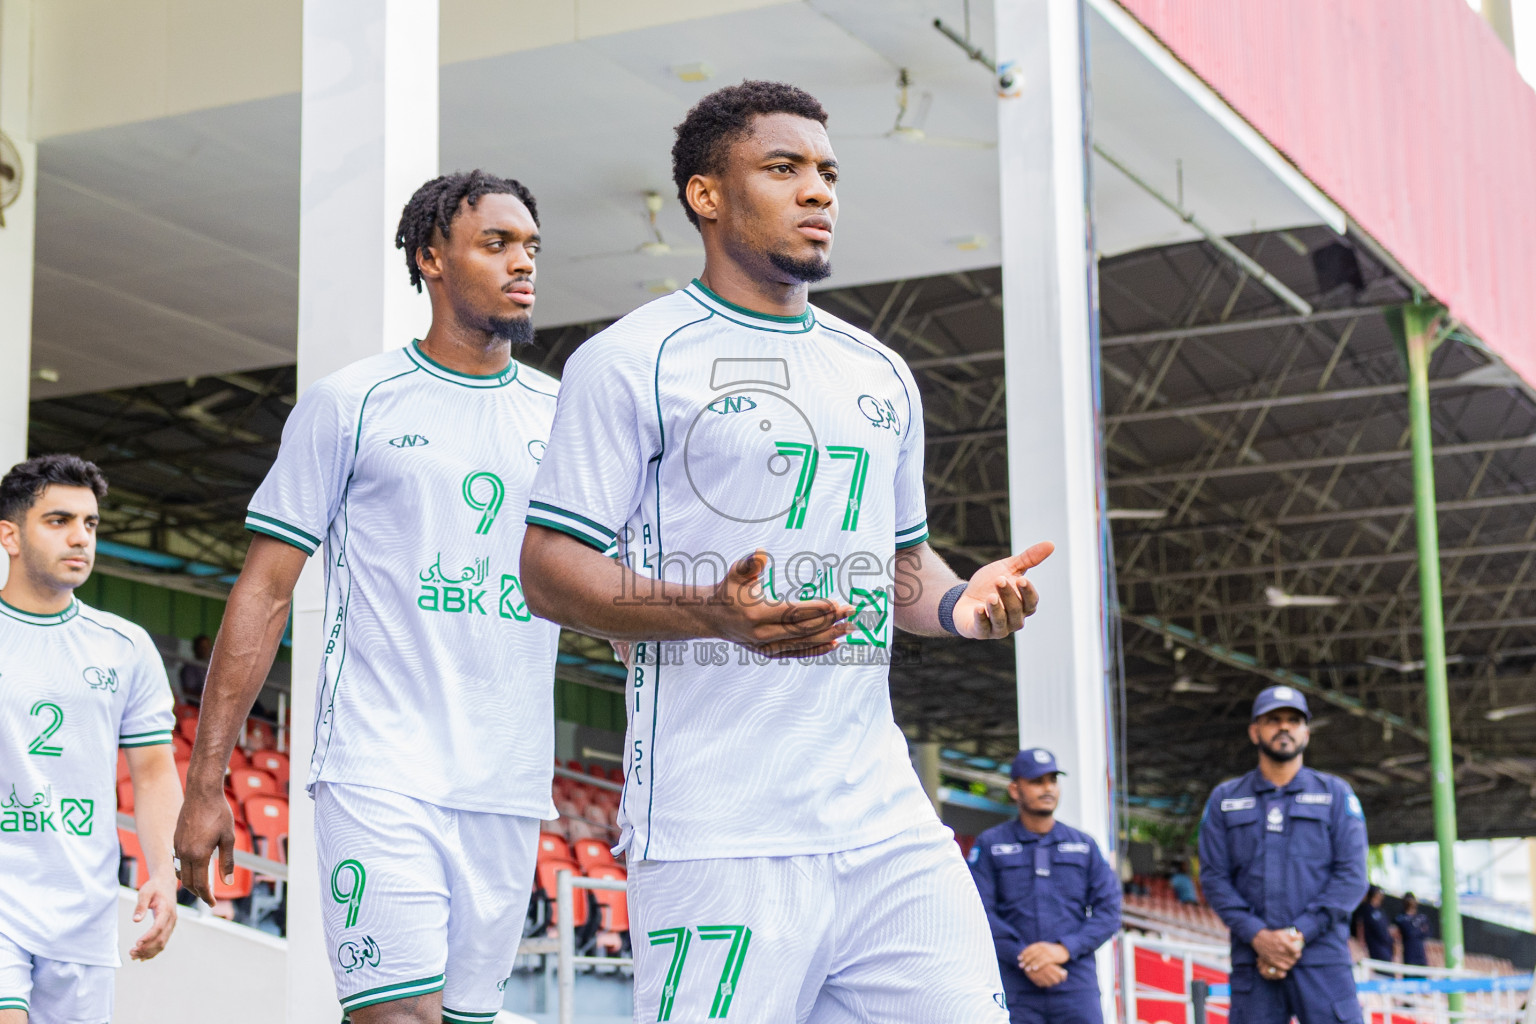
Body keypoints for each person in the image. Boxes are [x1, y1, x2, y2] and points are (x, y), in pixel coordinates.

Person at [520, 81, 1053, 1023]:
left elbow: (904, 570)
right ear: (705, 195)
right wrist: (711, 613)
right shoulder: (631, 360)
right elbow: (550, 569)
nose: (819, 192)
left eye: (827, 172)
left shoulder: (879, 371)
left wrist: (967, 603)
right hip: (716, 828)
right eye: (784, 168)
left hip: (882, 818)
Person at [173, 171, 562, 1023]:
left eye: (529, 246)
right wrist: (206, 786)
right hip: (380, 767)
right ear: (431, 257)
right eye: (495, 244)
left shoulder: (565, 417)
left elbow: (608, 593)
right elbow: (265, 592)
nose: (522, 262)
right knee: (399, 1019)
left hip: (508, 781)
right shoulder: (353, 403)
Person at [0, 455, 182, 1020]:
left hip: (82, 906)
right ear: (9, 535)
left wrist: (163, 872)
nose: (80, 537)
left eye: (91, 524)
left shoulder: (125, 646)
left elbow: (153, 772)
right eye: (58, 521)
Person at [1199, 685, 1369, 1024]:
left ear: (1306, 731)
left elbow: (1352, 877)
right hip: (1254, 959)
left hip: (1322, 959)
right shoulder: (1224, 799)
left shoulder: (1335, 794)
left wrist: (1298, 934)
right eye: (1273, 719)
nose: (1284, 727)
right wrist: (1259, 937)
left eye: (1294, 720)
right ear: (1254, 731)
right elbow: (1214, 878)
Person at [968, 749, 1122, 1024]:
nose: (1048, 788)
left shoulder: (1084, 845)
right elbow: (979, 912)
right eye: (1037, 781)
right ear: (1015, 789)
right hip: (1014, 987)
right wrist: (1027, 960)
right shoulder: (991, 844)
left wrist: (1062, 950)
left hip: (1074, 984)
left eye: (1052, 780)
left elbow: (1109, 912)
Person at [1353, 885, 1394, 963]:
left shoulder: (1382, 912)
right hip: (1373, 952)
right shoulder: (1364, 910)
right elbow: (1360, 929)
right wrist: (1362, 949)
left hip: (1386, 952)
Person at [1395, 893, 1430, 967]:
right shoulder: (1400, 918)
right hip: (1409, 955)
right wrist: (1419, 930)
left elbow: (1428, 931)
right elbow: (1409, 932)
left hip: (1421, 955)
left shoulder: (1422, 917)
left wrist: (1416, 931)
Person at [177, 634, 212, 704]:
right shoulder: (189, 668)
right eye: (202, 647)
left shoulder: (212, 666)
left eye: (207, 647)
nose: (205, 650)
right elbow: (188, 691)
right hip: (196, 707)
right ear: (195, 648)